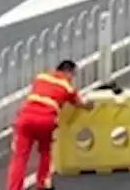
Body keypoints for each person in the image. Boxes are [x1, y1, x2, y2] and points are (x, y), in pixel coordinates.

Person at [6, 60, 94, 190]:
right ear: (69, 72)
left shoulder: (41, 77)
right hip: (45, 120)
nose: (72, 79)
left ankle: (13, 188)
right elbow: (79, 103)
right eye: (73, 76)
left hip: (25, 118)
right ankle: (42, 183)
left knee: (19, 157)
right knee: (45, 152)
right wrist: (89, 105)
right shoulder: (67, 86)